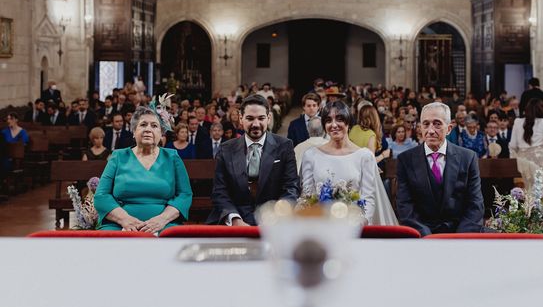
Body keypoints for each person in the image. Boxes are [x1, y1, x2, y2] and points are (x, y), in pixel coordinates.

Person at [94, 106, 193, 232]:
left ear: (161, 133)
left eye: (154, 126)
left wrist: (162, 219)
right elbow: (101, 196)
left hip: (164, 225)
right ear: (134, 131)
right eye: (143, 124)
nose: (148, 129)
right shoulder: (118, 156)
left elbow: (184, 195)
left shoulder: (172, 157)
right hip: (120, 225)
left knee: (173, 240)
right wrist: (124, 219)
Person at [206, 94, 299, 226]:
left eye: (261, 118)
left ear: (269, 118)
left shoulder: (284, 146)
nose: (256, 124)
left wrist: (276, 216)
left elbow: (291, 189)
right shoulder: (226, 149)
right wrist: (234, 219)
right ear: (241, 119)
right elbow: (219, 191)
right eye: (250, 118)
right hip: (235, 218)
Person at [300, 100, 397, 225]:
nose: (334, 125)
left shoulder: (364, 156)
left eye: (339, 119)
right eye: (329, 120)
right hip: (321, 224)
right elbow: (308, 196)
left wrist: (359, 224)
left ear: (348, 122)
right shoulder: (311, 155)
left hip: (355, 226)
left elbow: (368, 198)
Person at [396, 102, 484, 236]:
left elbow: (475, 205)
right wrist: (427, 238)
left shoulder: (468, 158)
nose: (431, 130)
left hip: (459, 235)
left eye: (437, 124)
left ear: (449, 128)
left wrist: (460, 238)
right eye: (426, 124)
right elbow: (405, 207)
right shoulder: (405, 160)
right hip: (422, 237)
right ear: (420, 128)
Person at [509, 99, 543, 198]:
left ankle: (527, 212)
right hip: (541, 159)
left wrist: (514, 158)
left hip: (523, 160)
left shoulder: (518, 122)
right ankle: (542, 213)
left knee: (526, 191)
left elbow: (512, 145)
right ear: (541, 109)